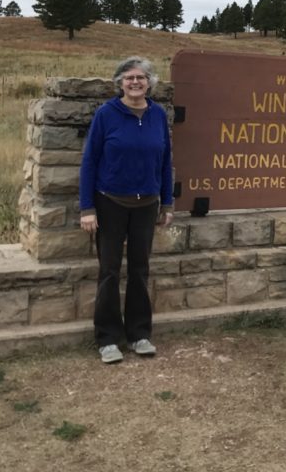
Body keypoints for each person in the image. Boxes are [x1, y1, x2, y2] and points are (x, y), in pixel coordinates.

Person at [79, 56, 174, 364]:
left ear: (150, 83)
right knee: (109, 271)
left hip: (147, 204)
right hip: (110, 203)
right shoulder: (107, 114)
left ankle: (139, 334)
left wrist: (167, 202)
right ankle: (107, 338)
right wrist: (87, 208)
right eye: (129, 77)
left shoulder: (158, 115)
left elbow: (165, 161)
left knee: (139, 269)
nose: (135, 82)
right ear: (119, 82)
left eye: (141, 78)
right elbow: (90, 161)